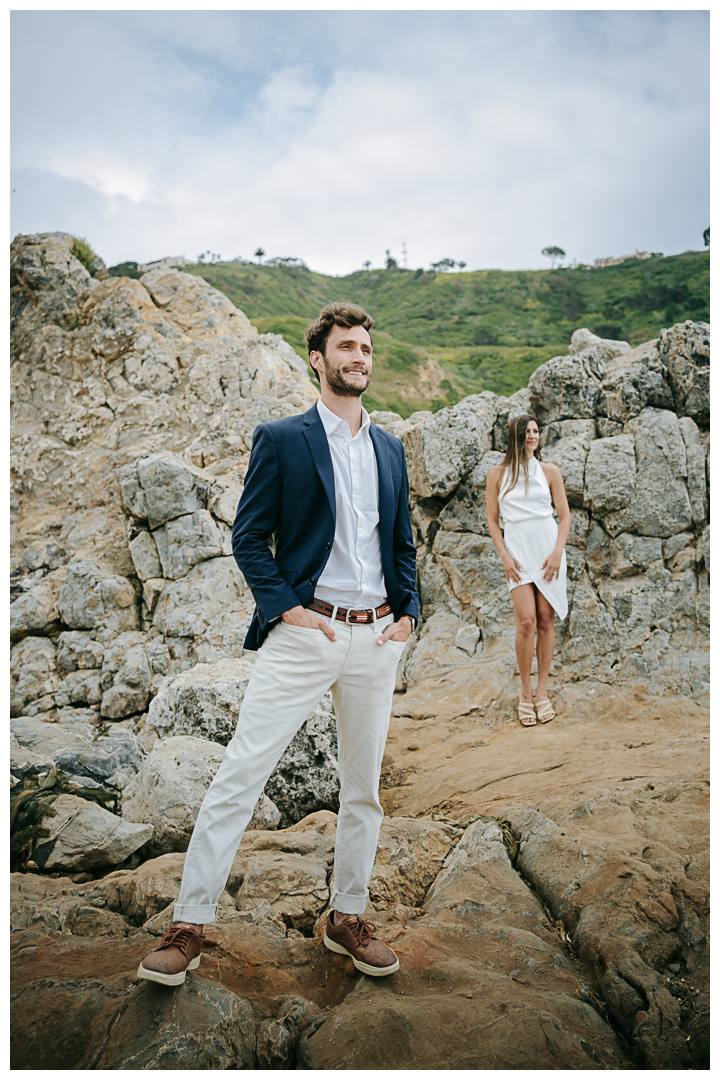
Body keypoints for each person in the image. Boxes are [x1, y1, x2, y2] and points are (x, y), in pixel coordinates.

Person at [138, 302, 419, 986]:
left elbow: (401, 543)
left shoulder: (389, 447)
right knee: (240, 776)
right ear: (318, 360)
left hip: (377, 638)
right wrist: (288, 610)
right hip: (306, 635)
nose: (360, 357)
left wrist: (409, 613)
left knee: (364, 792)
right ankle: (188, 926)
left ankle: (347, 920)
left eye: (365, 348)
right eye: (346, 348)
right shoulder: (283, 439)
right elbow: (247, 537)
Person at [485, 414, 570, 727]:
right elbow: (493, 520)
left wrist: (558, 553)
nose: (533, 436)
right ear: (515, 436)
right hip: (517, 551)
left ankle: (542, 690)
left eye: (536, 431)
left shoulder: (549, 471)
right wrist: (505, 557)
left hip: (549, 551)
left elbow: (564, 516)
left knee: (546, 620)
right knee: (526, 621)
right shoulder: (497, 474)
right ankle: (524, 692)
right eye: (527, 432)